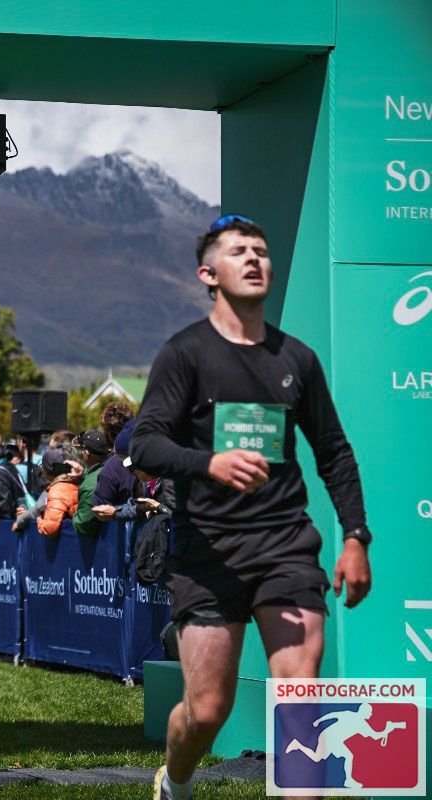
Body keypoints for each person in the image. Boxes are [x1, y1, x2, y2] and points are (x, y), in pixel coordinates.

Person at [130, 215, 372, 800]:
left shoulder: (298, 359)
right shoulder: (184, 354)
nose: (255, 259)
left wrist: (356, 537)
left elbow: (334, 452)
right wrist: (207, 463)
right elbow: (144, 444)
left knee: (300, 689)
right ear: (208, 273)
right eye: (239, 251)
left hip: (286, 544)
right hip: (206, 550)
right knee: (208, 711)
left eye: (261, 250)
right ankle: (177, 778)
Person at [68, 429, 112, 537]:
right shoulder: (113, 465)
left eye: (81, 450)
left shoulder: (90, 486)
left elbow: (84, 525)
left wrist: (71, 514)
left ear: (87, 453)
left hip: (106, 548)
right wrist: (83, 473)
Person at [34, 448, 81, 537]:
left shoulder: (58, 490)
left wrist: (38, 520)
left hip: (67, 544)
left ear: (46, 470)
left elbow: (49, 529)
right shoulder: (74, 482)